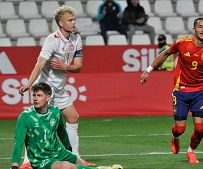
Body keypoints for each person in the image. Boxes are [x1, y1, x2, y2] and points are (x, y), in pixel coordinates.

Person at [140, 18, 203, 164]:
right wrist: (148, 70)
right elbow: (164, 53)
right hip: (181, 91)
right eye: (200, 27)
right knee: (180, 129)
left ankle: (191, 151)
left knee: (199, 129)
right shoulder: (182, 44)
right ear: (194, 29)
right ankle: (175, 138)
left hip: (200, 91)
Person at [18, 5, 94, 168]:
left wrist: (64, 66)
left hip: (59, 90)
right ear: (61, 23)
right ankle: (27, 161)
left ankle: (75, 156)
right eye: (70, 20)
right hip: (44, 88)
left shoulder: (76, 39)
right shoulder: (52, 40)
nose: (74, 23)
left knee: (73, 117)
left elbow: (78, 67)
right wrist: (29, 84)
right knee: (35, 123)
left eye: (74, 19)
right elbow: (39, 64)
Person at [11, 82, 123, 169]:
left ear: (48, 97)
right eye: (34, 95)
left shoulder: (55, 112)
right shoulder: (25, 117)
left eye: (39, 95)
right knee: (67, 166)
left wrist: (68, 148)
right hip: (41, 158)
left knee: (80, 162)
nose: (35, 98)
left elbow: (61, 131)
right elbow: (18, 143)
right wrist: (14, 165)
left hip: (58, 151)